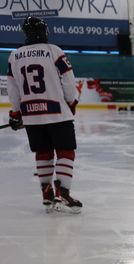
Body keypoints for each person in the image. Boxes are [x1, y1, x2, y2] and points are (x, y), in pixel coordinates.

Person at [6, 16, 82, 214]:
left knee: (43, 152)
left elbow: (13, 89)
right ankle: (63, 194)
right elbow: (68, 80)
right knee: (66, 150)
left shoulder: (14, 56)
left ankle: (47, 195)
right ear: (44, 31)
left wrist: (16, 111)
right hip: (56, 112)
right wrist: (71, 102)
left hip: (32, 115)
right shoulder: (53, 51)